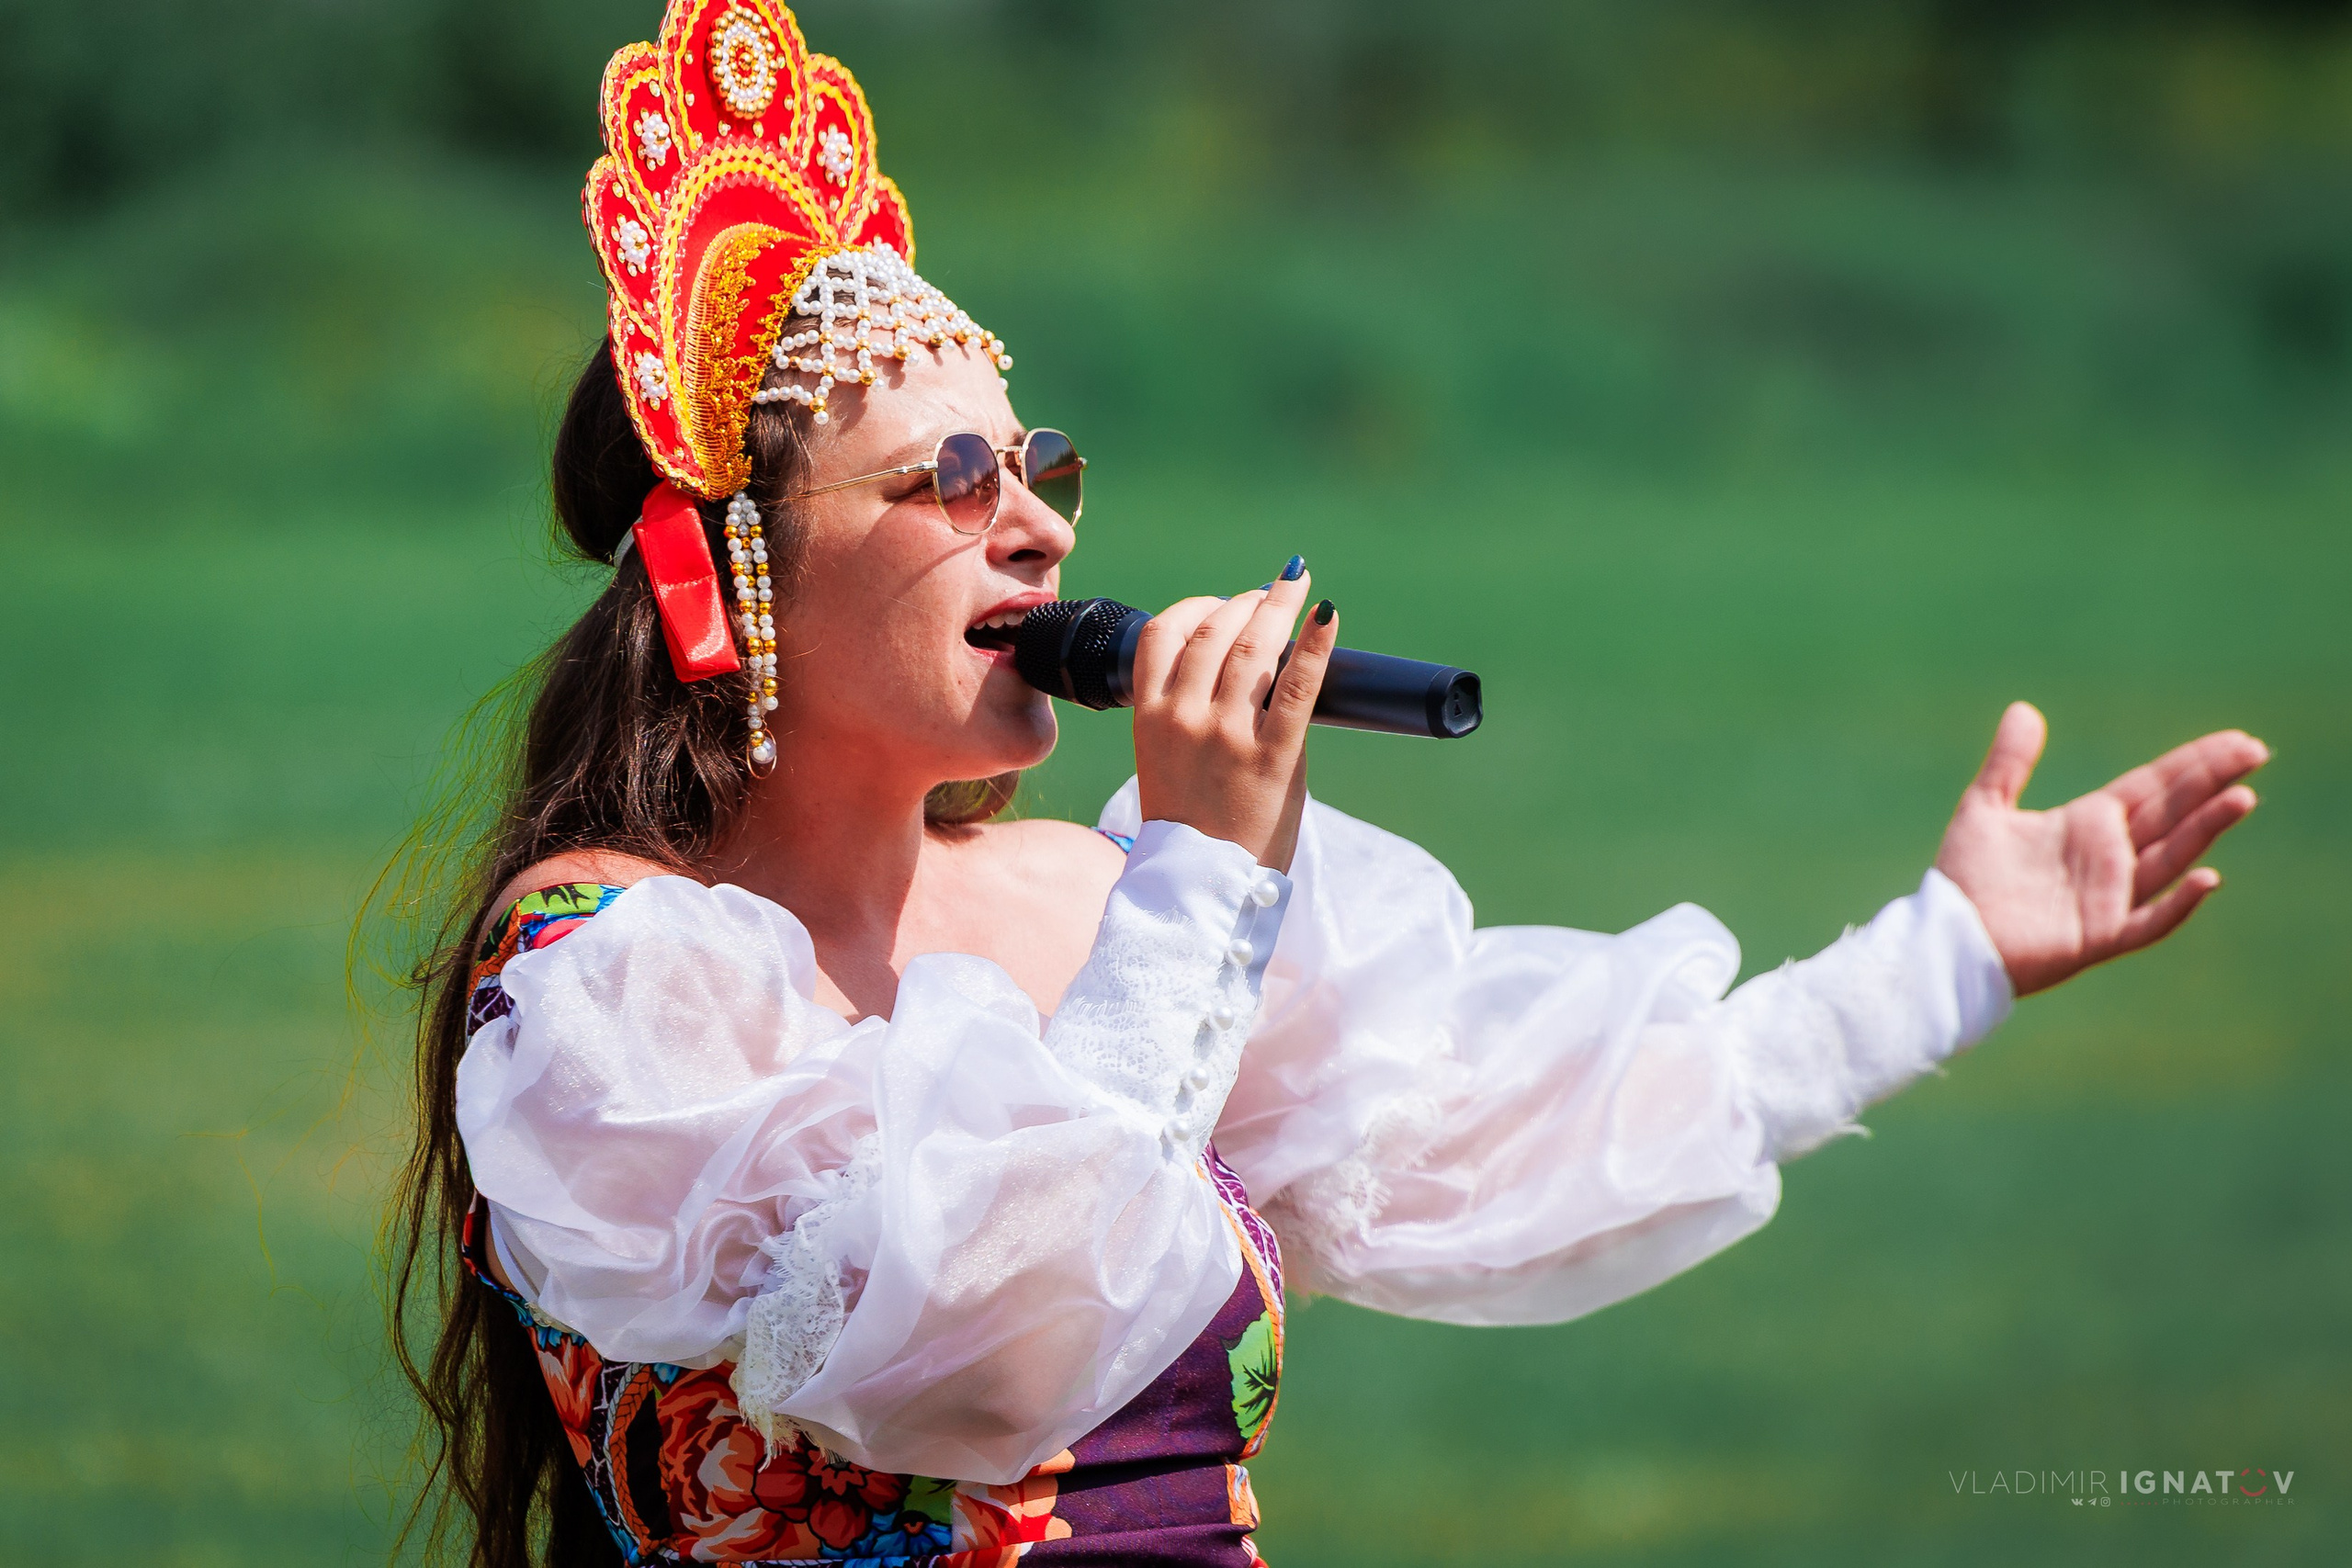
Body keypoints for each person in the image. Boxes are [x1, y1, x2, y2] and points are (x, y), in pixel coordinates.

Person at [386, 4, 2270, 1563]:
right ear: (739, 576)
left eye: (1034, 462)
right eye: (944, 482)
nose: (1033, 522)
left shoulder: (1080, 896)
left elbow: (1516, 1135)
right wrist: (1198, 878)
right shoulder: (606, 980)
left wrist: (1943, 956)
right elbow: (973, 1349)